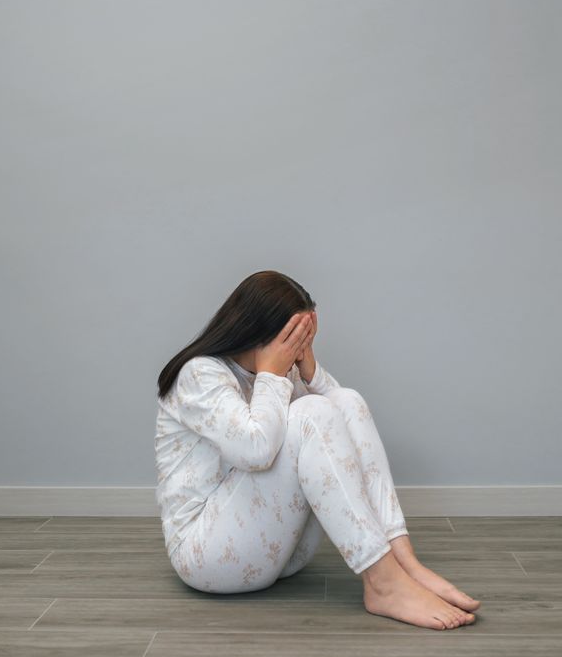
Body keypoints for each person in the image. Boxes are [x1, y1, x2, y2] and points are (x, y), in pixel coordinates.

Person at [155, 269, 481, 630]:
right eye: (293, 338)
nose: (297, 348)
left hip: (286, 555)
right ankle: (384, 584)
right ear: (257, 331)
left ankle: (403, 562)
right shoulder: (200, 374)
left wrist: (309, 371)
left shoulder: (279, 375)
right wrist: (273, 376)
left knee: (345, 400)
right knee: (312, 411)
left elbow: (342, 428)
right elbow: (255, 450)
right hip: (207, 557)